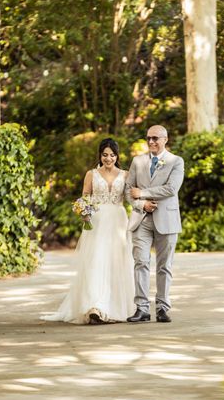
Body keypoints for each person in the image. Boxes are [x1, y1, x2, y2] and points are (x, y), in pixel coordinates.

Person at [41, 138, 135, 324]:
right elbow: (85, 197)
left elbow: (130, 198)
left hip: (118, 221)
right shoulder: (92, 174)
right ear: (100, 155)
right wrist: (84, 212)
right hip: (97, 222)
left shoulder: (125, 175)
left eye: (112, 155)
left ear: (117, 156)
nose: (109, 159)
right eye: (105, 155)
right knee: (96, 262)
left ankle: (115, 306)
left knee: (117, 262)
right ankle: (95, 307)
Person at [124, 125, 184, 323]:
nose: (151, 142)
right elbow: (127, 190)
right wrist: (141, 203)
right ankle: (141, 308)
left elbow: (171, 189)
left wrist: (143, 193)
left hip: (167, 219)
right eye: (148, 138)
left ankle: (162, 308)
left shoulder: (176, 161)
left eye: (155, 138)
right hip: (141, 219)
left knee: (164, 266)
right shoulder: (137, 161)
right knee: (140, 262)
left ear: (165, 139)